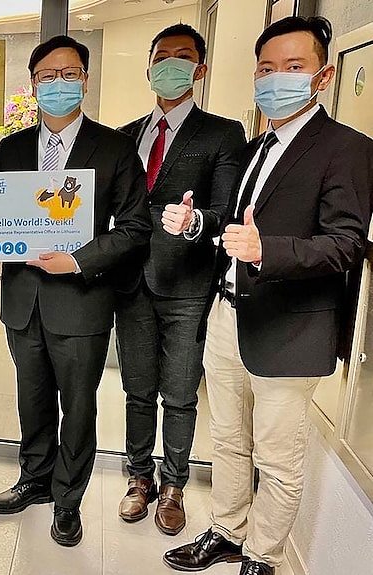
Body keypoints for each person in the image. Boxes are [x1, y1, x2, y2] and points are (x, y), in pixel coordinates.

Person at [164, 17, 373, 575]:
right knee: (229, 442)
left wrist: (266, 252)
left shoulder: (347, 149)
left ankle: (262, 556)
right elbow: (236, 223)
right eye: (265, 69)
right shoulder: (257, 147)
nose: (275, 79)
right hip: (229, 316)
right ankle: (227, 532)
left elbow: (345, 246)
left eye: (293, 67)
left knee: (278, 460)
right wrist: (195, 223)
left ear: (323, 75)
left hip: (291, 327)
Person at [0, 35, 152, 547]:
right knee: (33, 398)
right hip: (21, 301)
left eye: (69, 74)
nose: (58, 84)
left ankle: (68, 499)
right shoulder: (12, 147)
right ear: (34, 84)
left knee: (78, 405)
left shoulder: (114, 147)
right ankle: (34, 479)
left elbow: (134, 228)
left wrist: (79, 260)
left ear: (84, 79)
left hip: (81, 304)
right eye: (48, 76)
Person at [114, 24, 247, 535]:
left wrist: (195, 223)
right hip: (131, 284)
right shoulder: (126, 137)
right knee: (137, 388)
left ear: (201, 69)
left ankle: (173, 485)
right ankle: (139, 479)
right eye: (162, 57)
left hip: (188, 285)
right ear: (149, 68)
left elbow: (225, 210)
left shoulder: (222, 133)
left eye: (182, 57)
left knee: (181, 392)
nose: (171, 65)